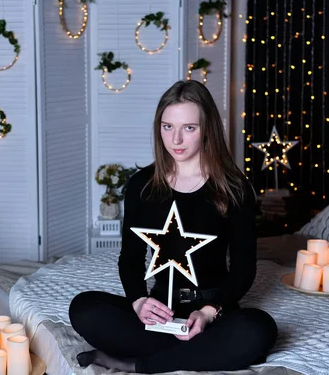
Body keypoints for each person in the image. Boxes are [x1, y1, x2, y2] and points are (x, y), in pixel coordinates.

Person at [69, 80, 277, 373]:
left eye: (189, 128)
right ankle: (203, 354)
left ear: (207, 130)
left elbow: (244, 269)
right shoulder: (141, 185)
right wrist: (139, 301)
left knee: (259, 329)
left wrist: (208, 312)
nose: (176, 139)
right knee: (84, 307)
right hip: (159, 312)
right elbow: (129, 259)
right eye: (168, 127)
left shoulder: (234, 188)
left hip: (211, 312)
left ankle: (140, 364)